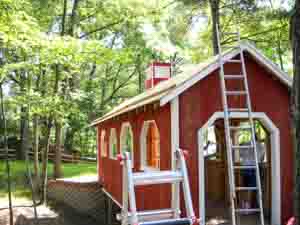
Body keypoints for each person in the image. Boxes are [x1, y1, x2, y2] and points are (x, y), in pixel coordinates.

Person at [239, 134, 265, 214]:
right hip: (254, 167)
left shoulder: (245, 144)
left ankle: (243, 206)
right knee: (251, 188)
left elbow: (241, 155)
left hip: (244, 167)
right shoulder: (261, 146)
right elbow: (261, 158)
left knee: (244, 187)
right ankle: (247, 208)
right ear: (258, 137)